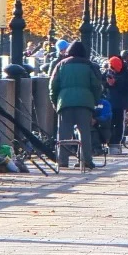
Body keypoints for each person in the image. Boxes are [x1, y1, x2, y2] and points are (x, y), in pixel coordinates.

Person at [49, 40, 103, 169]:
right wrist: (94, 101)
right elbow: (96, 86)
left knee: (63, 133)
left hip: (65, 101)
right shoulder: (89, 65)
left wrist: (55, 102)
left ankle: (62, 160)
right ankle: (86, 161)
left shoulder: (61, 65)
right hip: (85, 102)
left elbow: (53, 86)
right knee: (84, 133)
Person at [103, 55, 128, 154]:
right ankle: (109, 141)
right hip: (110, 102)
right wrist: (108, 83)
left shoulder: (126, 74)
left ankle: (117, 142)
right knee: (110, 123)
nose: (112, 70)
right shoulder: (107, 72)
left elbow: (126, 89)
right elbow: (102, 82)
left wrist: (115, 83)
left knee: (119, 124)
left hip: (120, 103)